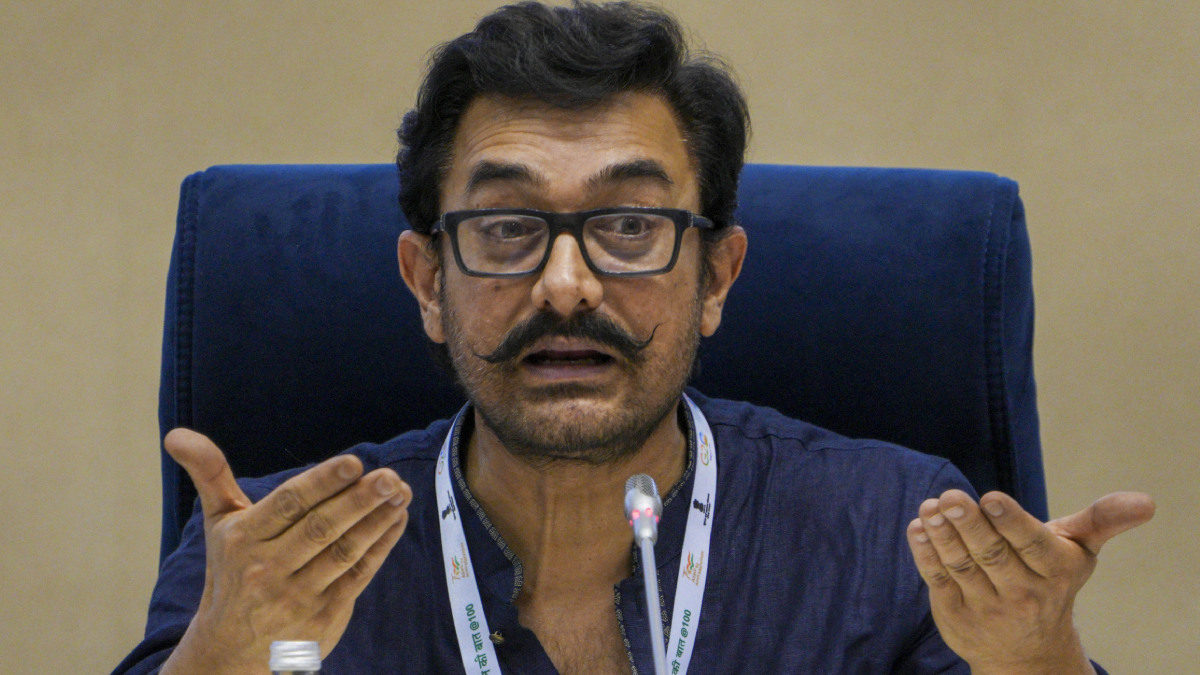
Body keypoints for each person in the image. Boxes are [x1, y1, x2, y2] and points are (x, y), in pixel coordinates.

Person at [114, 2, 1155, 674]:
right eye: (507, 227)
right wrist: (225, 656)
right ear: (429, 282)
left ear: (717, 278)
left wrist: (1037, 658)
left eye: (628, 227)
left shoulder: (892, 533)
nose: (566, 287)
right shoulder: (264, 560)